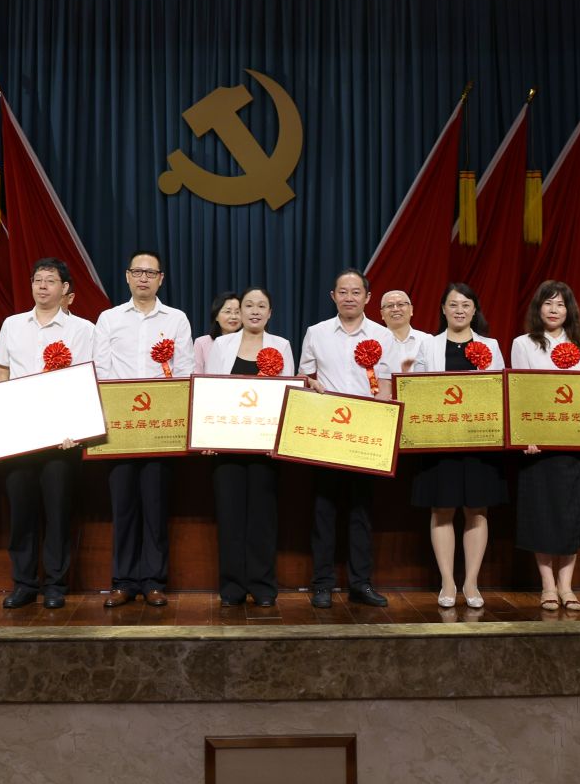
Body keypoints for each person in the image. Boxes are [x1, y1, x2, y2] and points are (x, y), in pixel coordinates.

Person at [0, 257, 99, 610]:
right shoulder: (12, 325)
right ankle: (23, 583)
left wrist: (78, 427)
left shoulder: (83, 330)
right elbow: (1, 373)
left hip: (62, 437)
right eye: (37, 279)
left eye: (50, 280)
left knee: (57, 511)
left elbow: (88, 381)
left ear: (65, 288)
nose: (42, 286)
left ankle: (55, 584)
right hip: (20, 434)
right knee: (21, 512)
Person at [95, 249, 197, 608]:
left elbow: (184, 371)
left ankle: (154, 580)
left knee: (155, 506)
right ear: (127, 276)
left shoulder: (177, 319)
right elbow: (101, 370)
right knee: (123, 507)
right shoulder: (108, 319)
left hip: (159, 425)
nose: (143, 278)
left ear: (160, 279)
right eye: (137, 272)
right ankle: (123, 581)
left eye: (150, 273)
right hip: (120, 427)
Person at [298, 268, 396, 609]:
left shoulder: (383, 335)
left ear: (368, 297)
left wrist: (381, 415)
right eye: (343, 291)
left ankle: (360, 583)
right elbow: (304, 377)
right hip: (327, 433)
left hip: (365, 434)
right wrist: (309, 384)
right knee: (323, 510)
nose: (349, 297)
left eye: (356, 292)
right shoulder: (317, 333)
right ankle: (322, 584)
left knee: (361, 511)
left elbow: (387, 383)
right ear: (333, 296)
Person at [510, 281, 580, 612]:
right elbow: (519, 392)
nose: (554, 310)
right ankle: (547, 586)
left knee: (571, 515)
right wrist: (525, 435)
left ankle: (567, 586)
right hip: (539, 445)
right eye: (548, 303)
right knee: (542, 513)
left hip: (575, 444)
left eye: (560, 305)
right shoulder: (523, 343)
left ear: (569, 311)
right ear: (538, 308)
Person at [409, 282, 507, 609]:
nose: (460, 310)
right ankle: (448, 582)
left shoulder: (490, 345)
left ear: (475, 310)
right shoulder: (428, 346)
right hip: (440, 441)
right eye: (453, 304)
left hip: (479, 440)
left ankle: (471, 582)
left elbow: (500, 390)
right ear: (443, 309)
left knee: (477, 510)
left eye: (466, 304)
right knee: (442, 509)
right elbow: (418, 391)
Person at [205, 286, 294, 607]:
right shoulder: (222, 345)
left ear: (270, 313)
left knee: (262, 518)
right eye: (249, 305)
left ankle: (263, 586)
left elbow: (288, 396)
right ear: (239, 312)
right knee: (229, 517)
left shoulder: (281, 345)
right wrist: (207, 435)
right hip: (226, 446)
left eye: (261, 306)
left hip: (265, 448)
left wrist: (279, 440)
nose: (255, 311)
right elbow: (210, 390)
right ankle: (232, 587)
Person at [380, 290, 428, 374]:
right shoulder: (375, 343)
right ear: (382, 314)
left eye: (401, 304)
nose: (395, 309)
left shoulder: (427, 340)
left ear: (411, 309)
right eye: (390, 306)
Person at [191, 292, 241, 370]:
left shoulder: (248, 343)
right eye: (228, 312)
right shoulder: (202, 343)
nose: (234, 316)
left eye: (237, 312)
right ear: (216, 316)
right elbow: (197, 374)